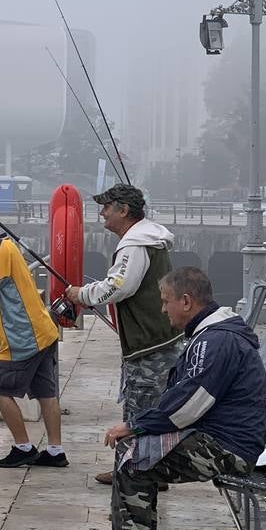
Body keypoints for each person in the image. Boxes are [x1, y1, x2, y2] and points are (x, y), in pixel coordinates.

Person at [87, 267, 266, 530]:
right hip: (219, 436)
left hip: (229, 447)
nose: (162, 308)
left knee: (135, 458)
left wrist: (135, 424)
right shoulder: (211, 335)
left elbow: (189, 406)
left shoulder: (216, 342)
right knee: (133, 448)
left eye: (165, 301)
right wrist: (141, 426)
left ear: (186, 302)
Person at [64, 183, 184, 486]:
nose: (102, 213)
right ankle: (147, 469)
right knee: (152, 407)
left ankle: (134, 474)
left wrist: (82, 293)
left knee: (140, 408)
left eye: (107, 207)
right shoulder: (147, 239)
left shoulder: (135, 244)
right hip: (159, 337)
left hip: (149, 344)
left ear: (124, 210)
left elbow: (118, 286)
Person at [0, 214, 68, 468]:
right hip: (42, 331)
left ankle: (23, 447)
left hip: (23, 337)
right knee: (45, 392)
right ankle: (55, 451)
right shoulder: (3, 247)